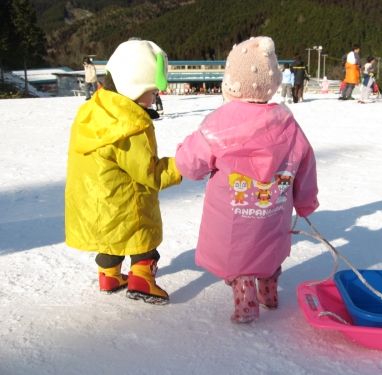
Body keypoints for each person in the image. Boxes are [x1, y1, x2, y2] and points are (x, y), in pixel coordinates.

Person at [175, 36, 319, 324]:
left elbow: (190, 165)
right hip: (273, 211)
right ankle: (270, 294)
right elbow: (305, 163)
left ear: (231, 82)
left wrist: (183, 152)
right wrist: (304, 202)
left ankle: (246, 303)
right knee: (268, 252)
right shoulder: (287, 123)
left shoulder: (218, 123)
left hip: (233, 215)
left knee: (239, 258)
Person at [65, 40, 183, 305]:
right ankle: (142, 278)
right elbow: (150, 173)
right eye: (152, 92)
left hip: (96, 203)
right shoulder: (130, 124)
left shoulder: (92, 110)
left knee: (111, 239)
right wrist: (183, 165)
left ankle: (108, 275)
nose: (155, 98)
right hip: (125, 204)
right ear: (135, 86)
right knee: (143, 235)